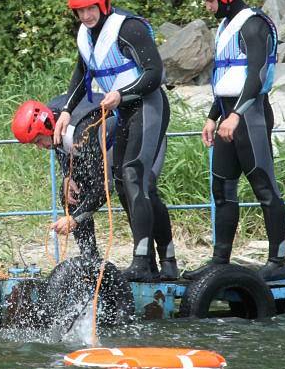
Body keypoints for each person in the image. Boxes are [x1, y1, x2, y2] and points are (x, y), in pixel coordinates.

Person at [52, 0, 176, 282]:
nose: (85, 16)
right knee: (123, 181)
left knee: (134, 176)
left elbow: (154, 72)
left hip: (148, 105)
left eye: (90, 9)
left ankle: (143, 259)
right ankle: (167, 259)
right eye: (79, 12)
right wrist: (67, 109)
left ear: (103, 3)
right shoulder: (86, 35)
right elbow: (82, 76)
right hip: (123, 111)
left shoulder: (128, 28)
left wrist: (123, 93)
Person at [184, 0, 285, 282]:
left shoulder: (252, 24)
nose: (207, 5)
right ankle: (220, 260)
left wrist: (236, 114)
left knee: (264, 187)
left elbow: (255, 76)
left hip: (250, 114)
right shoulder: (225, 26)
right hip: (228, 113)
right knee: (222, 188)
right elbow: (227, 76)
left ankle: (277, 261)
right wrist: (213, 117)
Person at [12, 96, 177, 280]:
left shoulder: (82, 132)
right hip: (111, 148)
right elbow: (59, 146)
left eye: (37, 141)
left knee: (140, 190)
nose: (39, 147)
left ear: (47, 127)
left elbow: (103, 189)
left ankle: (168, 261)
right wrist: (68, 174)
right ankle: (90, 262)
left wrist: (74, 219)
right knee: (72, 193)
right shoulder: (54, 117)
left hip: (145, 134)